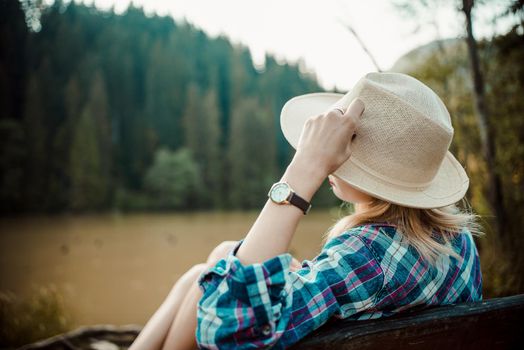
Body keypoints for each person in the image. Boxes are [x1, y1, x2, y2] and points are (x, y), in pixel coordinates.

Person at [129, 72, 483, 350]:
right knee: (206, 269)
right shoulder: (459, 241)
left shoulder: (368, 256)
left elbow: (227, 330)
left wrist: (304, 170)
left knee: (220, 264)